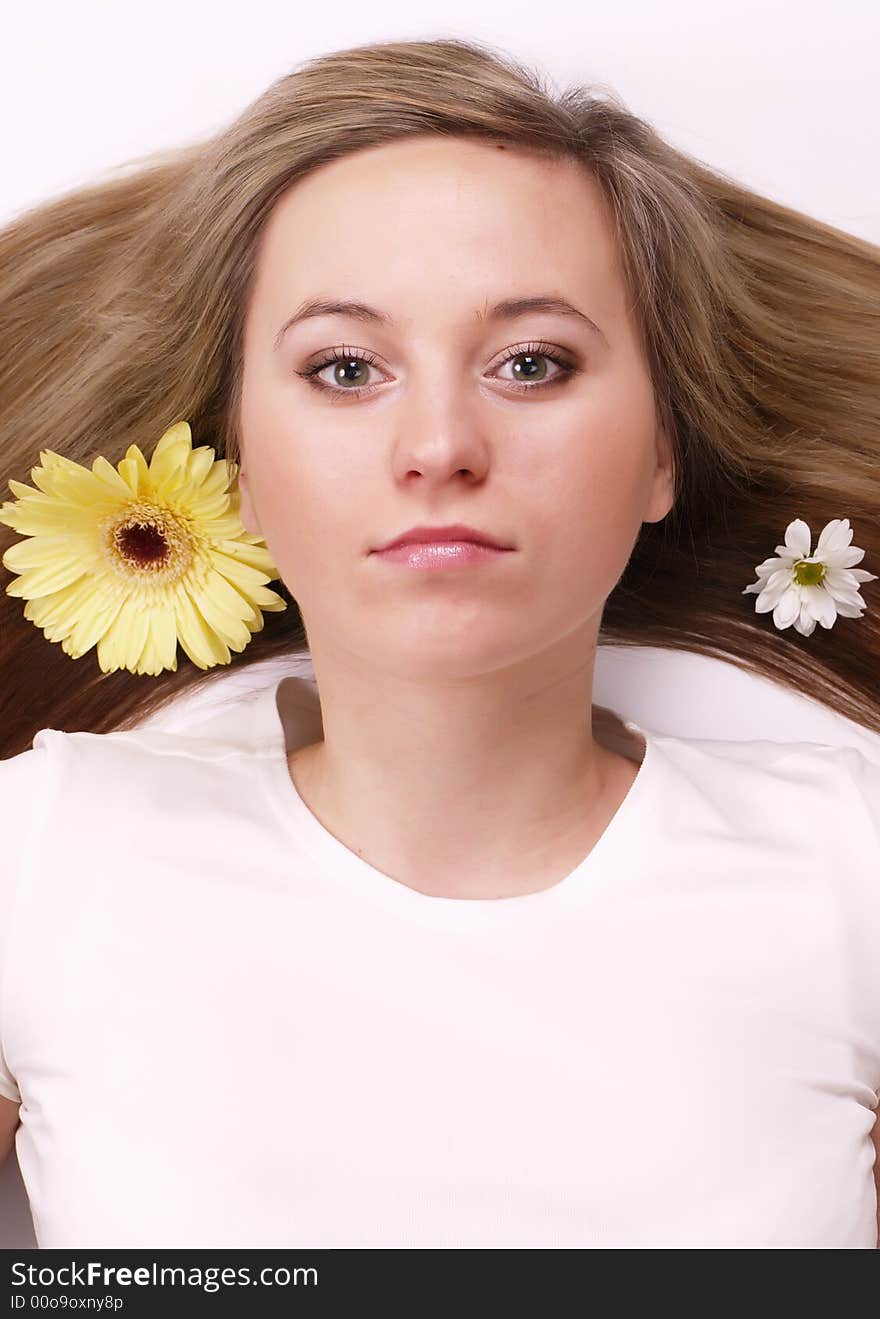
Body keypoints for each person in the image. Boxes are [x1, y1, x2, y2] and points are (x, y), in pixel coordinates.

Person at [0, 36, 878, 1249]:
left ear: (663, 450)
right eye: (346, 368)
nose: (438, 446)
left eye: (531, 362)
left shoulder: (851, 865)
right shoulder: (44, 854)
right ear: (239, 466)